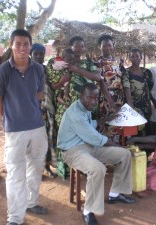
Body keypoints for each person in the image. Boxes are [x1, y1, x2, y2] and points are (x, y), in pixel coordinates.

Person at [57, 83, 135, 225]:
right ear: (81, 96)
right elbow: (96, 138)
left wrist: (107, 119)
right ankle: (88, 211)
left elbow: (90, 124)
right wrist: (117, 144)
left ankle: (115, 194)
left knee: (124, 155)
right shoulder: (75, 113)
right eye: (89, 98)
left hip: (87, 145)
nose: (93, 101)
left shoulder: (84, 108)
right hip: (72, 150)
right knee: (97, 168)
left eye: (95, 98)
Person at [0, 29, 48, 225]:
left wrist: (31, 107)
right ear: (11, 45)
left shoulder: (39, 69)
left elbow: (39, 95)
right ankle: (15, 218)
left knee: (35, 167)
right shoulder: (2, 71)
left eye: (26, 44)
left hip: (37, 128)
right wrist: (6, 117)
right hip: (14, 130)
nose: (23, 48)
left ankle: (32, 202)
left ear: (30, 45)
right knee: (16, 173)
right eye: (19, 44)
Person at [48, 36, 102, 180]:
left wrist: (76, 69)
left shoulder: (88, 63)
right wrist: (61, 83)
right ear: (70, 47)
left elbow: (98, 78)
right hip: (65, 107)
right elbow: (52, 85)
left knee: (85, 134)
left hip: (85, 108)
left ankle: (85, 166)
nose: (79, 48)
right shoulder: (59, 63)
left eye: (82, 46)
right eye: (76, 46)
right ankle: (65, 171)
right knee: (66, 138)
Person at [95, 34, 130, 142]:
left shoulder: (119, 62)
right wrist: (109, 100)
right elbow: (100, 81)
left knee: (117, 124)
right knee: (105, 124)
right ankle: (106, 150)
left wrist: (125, 100)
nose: (107, 48)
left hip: (118, 98)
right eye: (104, 45)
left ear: (113, 46)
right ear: (99, 47)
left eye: (109, 45)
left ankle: (117, 150)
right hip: (104, 99)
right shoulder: (97, 62)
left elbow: (123, 79)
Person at [30, 43, 57, 178]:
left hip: (48, 109)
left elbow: (52, 87)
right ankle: (38, 168)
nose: (39, 56)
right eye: (36, 54)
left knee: (48, 137)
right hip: (35, 110)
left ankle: (46, 165)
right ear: (31, 55)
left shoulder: (47, 70)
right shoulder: (28, 70)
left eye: (41, 54)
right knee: (37, 140)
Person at [122, 48, 154, 136]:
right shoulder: (126, 72)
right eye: (132, 56)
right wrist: (130, 106)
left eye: (137, 56)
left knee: (146, 130)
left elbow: (149, 88)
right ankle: (133, 149)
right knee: (134, 131)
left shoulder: (147, 72)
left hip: (146, 106)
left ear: (141, 57)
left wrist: (150, 104)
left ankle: (145, 149)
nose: (135, 58)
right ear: (130, 59)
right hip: (133, 106)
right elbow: (126, 88)